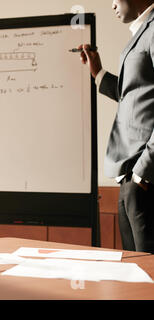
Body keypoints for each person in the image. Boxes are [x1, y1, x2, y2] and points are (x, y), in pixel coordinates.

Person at [79, 0, 154, 253]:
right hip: (129, 175)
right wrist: (98, 72)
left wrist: (143, 172)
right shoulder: (141, 32)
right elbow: (132, 97)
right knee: (135, 271)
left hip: (144, 175)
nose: (112, 5)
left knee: (148, 275)